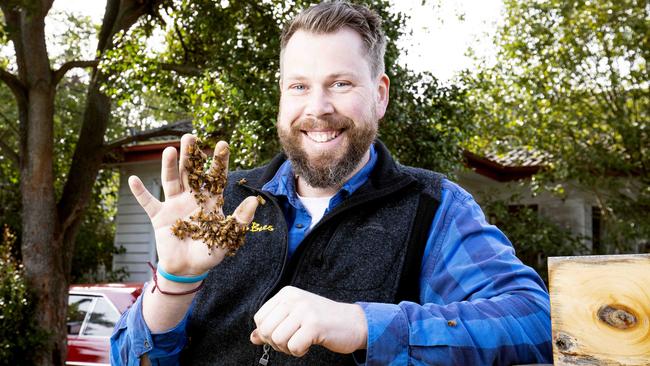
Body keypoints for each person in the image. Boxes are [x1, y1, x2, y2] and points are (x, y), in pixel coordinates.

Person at [110, 1, 553, 365]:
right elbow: (131, 359)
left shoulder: (433, 207)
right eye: (299, 87)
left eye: (339, 83)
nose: (317, 108)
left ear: (379, 95)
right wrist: (175, 281)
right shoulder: (220, 205)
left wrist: (364, 325)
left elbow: (534, 323)